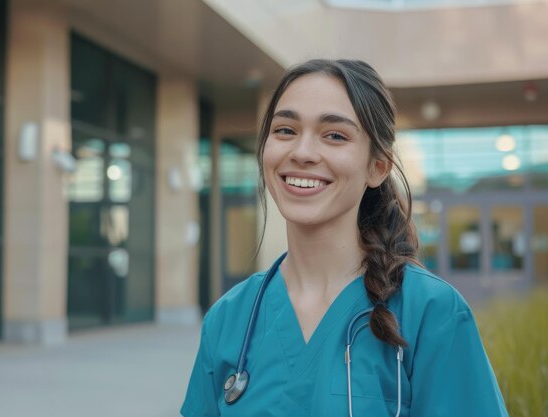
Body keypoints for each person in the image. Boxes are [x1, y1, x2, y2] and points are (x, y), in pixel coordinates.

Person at [180, 59, 509, 417]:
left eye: (334, 135)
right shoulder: (230, 318)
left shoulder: (432, 312)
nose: (302, 152)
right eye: (285, 130)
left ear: (377, 167)